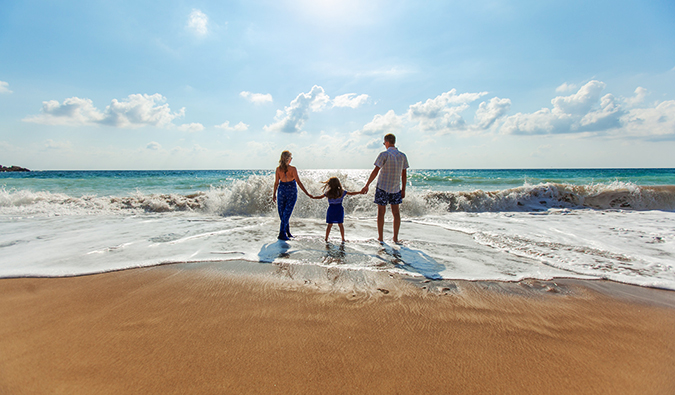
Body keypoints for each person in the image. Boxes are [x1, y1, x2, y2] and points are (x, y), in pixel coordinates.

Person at [361, 134, 409, 243]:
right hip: (396, 188)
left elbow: (375, 171)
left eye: (384, 143)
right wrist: (404, 189)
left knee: (381, 213)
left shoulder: (384, 154)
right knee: (396, 213)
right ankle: (395, 238)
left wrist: (367, 184)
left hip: (382, 187)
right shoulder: (402, 156)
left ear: (386, 142)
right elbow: (404, 175)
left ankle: (381, 238)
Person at [310, 177, 363, 242]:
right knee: (340, 225)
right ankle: (343, 239)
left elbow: (320, 197)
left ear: (330, 184)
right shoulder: (341, 192)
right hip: (339, 209)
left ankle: (326, 239)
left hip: (331, 209)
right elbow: (351, 193)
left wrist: (312, 197)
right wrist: (360, 192)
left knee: (329, 225)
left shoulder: (328, 192)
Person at [273, 151, 311, 240]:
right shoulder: (292, 169)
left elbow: (276, 183)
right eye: (291, 158)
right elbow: (298, 182)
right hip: (291, 191)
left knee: (284, 213)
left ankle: (287, 232)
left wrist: (274, 194)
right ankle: (282, 233)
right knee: (285, 213)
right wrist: (307, 193)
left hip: (281, 190)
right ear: (289, 159)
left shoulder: (278, 169)